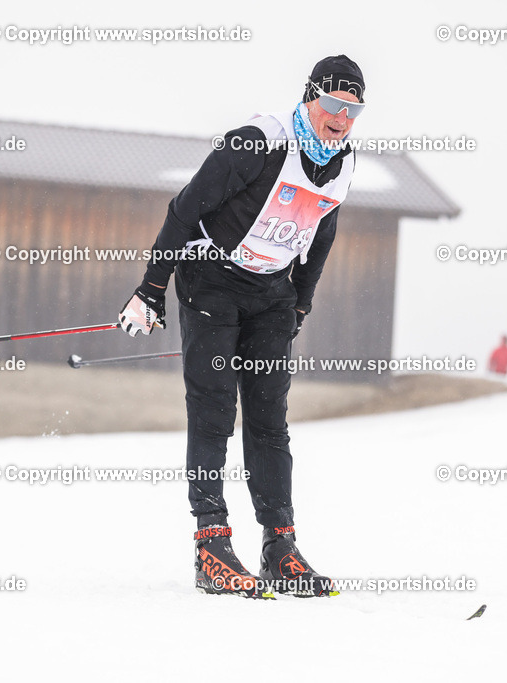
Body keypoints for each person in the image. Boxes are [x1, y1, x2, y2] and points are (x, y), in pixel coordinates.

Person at [118, 55, 366, 599]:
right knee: (213, 413)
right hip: (210, 279)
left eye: (353, 109)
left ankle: (281, 547)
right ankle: (212, 545)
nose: (342, 117)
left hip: (272, 290)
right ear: (310, 97)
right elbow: (183, 212)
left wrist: (300, 305)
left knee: (269, 420)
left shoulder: (344, 162)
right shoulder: (257, 141)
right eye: (333, 104)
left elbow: (320, 238)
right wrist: (151, 289)